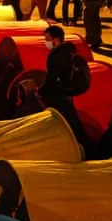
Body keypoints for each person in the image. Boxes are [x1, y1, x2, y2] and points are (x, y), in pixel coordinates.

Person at [38, 25, 94, 154]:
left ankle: (79, 148)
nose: (46, 42)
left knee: (63, 123)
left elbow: (51, 79)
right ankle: (88, 146)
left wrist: (39, 92)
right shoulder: (71, 51)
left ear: (55, 39)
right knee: (74, 122)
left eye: (47, 39)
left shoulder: (55, 56)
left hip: (60, 94)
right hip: (70, 92)